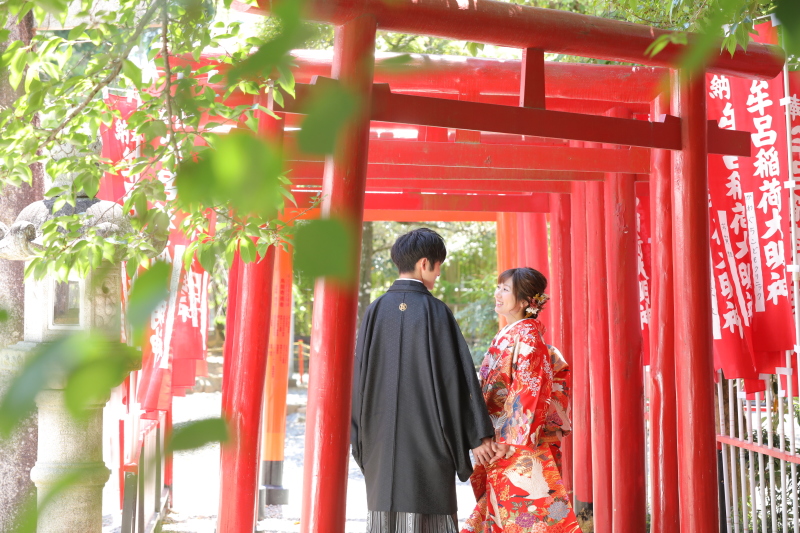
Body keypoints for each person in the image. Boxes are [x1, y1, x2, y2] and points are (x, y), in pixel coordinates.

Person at [351, 228, 496, 533]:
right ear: (425, 263)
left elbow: (359, 379)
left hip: (380, 435)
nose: (439, 272)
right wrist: (477, 434)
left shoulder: (375, 311)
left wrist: (360, 436)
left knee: (384, 516)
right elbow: (456, 379)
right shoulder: (436, 311)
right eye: (439, 265)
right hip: (430, 436)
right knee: (430, 514)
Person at [462, 267, 580, 533]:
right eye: (499, 287)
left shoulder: (526, 335)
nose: (498, 294)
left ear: (526, 302)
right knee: (506, 512)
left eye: (505, 289)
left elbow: (528, 390)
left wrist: (506, 439)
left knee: (527, 515)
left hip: (515, 443)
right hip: (502, 438)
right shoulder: (512, 332)